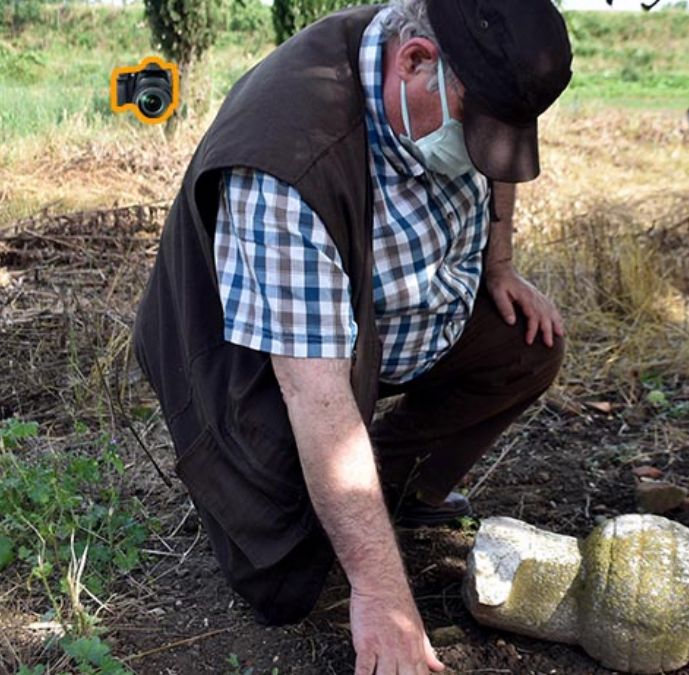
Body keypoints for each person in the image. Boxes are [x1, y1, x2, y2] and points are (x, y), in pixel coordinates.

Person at [131, 0, 573, 671]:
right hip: (271, 355)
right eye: (470, 130)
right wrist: (383, 596)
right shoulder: (287, 161)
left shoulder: (463, 57)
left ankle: (391, 492)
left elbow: (496, 158)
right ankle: (336, 522)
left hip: (392, 316)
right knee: (284, 581)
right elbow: (320, 400)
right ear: (414, 63)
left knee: (525, 346)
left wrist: (499, 263)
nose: (477, 155)